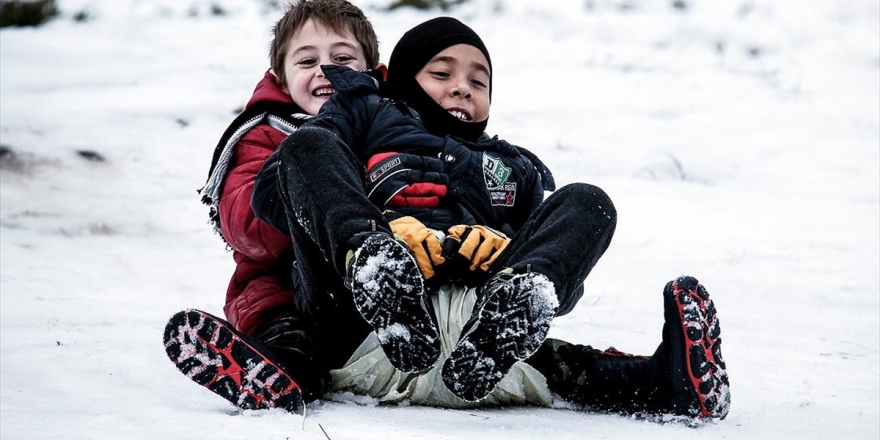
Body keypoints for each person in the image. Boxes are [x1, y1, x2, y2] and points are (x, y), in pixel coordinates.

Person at [251, 15, 729, 420]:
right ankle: (374, 269)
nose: (462, 86)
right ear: (402, 81)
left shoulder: (513, 165)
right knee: (307, 147)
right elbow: (277, 194)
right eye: (442, 73)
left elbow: (566, 275)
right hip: (359, 331)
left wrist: (501, 243)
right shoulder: (362, 117)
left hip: (480, 349)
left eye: (478, 82)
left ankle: (648, 373)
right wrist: (380, 228)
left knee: (589, 200)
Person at [163, 0, 387, 412]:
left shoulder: (391, 127)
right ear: (281, 80)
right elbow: (245, 224)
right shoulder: (264, 136)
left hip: (377, 296)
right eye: (307, 60)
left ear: (371, 72)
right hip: (292, 289)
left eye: (342, 58)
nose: (325, 69)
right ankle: (281, 369)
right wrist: (316, 202)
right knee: (286, 329)